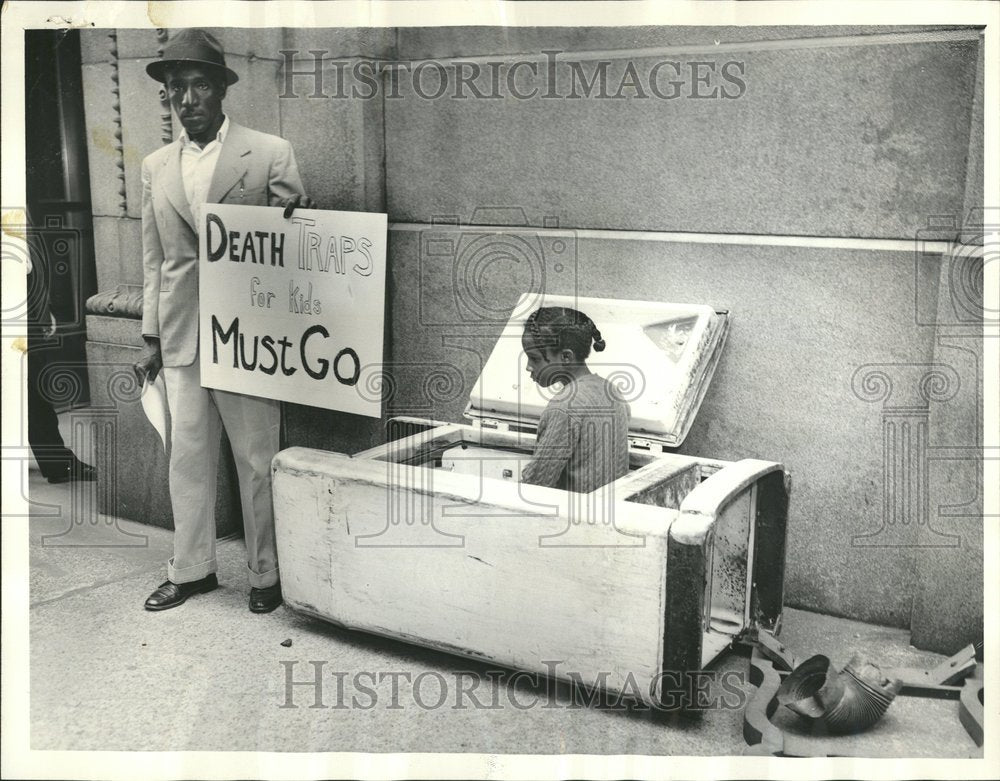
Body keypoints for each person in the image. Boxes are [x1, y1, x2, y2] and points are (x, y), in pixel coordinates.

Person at [133, 29, 313, 613]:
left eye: (199, 85)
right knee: (186, 460)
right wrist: (150, 335)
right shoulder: (155, 165)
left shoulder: (268, 152)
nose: (187, 99)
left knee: (257, 460)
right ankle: (192, 571)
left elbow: (298, 244)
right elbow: (156, 259)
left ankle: (266, 576)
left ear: (220, 91)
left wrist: (298, 220)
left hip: (250, 337)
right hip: (184, 337)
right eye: (176, 89)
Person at [519, 307, 631, 493]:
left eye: (534, 358)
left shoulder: (563, 407)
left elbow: (537, 484)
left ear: (566, 357)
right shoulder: (611, 390)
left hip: (573, 515)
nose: (528, 367)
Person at [25, 246, 97, 484]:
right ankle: (57, 463)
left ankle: (57, 464)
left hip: (26, 312)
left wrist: (43, 310)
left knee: (34, 388)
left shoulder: (18, 212)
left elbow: (31, 261)